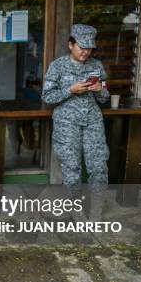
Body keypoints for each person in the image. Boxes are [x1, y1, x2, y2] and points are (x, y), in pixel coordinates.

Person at [41, 24, 110, 194]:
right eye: (81, 47)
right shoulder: (57, 66)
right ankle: (76, 213)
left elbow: (104, 97)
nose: (85, 52)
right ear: (71, 45)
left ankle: (96, 212)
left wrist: (100, 90)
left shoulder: (97, 66)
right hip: (67, 124)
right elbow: (47, 96)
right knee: (71, 170)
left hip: (93, 122)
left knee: (99, 167)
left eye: (89, 48)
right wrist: (70, 90)